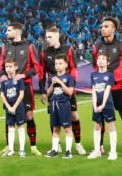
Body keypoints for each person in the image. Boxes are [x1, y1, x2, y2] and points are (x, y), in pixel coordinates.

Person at [90, 17, 122, 158]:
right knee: (100, 116)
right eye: (102, 26)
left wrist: (120, 79)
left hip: (118, 87)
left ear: (114, 29)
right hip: (101, 87)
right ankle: (100, 146)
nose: (102, 28)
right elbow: (94, 64)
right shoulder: (96, 46)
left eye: (106, 26)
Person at [43, 25, 87, 155]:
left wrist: (70, 84)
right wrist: (43, 91)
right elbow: (42, 71)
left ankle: (78, 144)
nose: (47, 39)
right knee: (53, 116)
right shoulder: (45, 52)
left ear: (57, 36)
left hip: (66, 85)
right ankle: (57, 147)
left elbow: (73, 67)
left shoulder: (68, 49)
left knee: (74, 115)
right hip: (53, 86)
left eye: (50, 37)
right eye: (46, 37)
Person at [2, 20, 44, 154]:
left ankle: (33, 147)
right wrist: (2, 74)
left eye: (9, 30)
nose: (6, 32)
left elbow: (37, 67)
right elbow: (2, 64)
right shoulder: (5, 47)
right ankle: (9, 146)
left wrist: (24, 75)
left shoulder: (29, 46)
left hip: (25, 86)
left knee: (29, 115)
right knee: (9, 114)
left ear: (17, 32)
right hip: (9, 87)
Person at [87, 50, 117, 160]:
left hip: (107, 104)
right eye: (99, 59)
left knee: (111, 126)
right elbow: (94, 90)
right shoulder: (93, 75)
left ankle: (113, 152)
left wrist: (103, 105)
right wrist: (94, 105)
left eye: (103, 59)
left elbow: (107, 91)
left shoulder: (110, 75)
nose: (100, 61)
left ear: (108, 62)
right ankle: (97, 150)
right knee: (96, 126)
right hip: (96, 104)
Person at [45, 55, 77, 158]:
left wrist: (61, 83)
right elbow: (48, 93)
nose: (58, 66)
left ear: (66, 65)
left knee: (67, 128)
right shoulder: (52, 78)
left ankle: (68, 151)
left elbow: (70, 92)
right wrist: (52, 85)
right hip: (54, 104)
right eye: (56, 64)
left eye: (60, 64)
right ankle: (54, 150)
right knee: (55, 129)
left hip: (64, 105)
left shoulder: (69, 77)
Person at [0, 58, 28, 157]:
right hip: (9, 107)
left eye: (10, 66)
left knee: (20, 126)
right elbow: (2, 95)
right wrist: (8, 106)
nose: (8, 69)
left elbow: (21, 94)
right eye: (6, 67)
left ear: (15, 67)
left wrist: (14, 106)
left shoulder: (19, 79)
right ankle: (10, 149)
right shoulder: (4, 80)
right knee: (10, 127)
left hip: (18, 107)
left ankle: (22, 150)